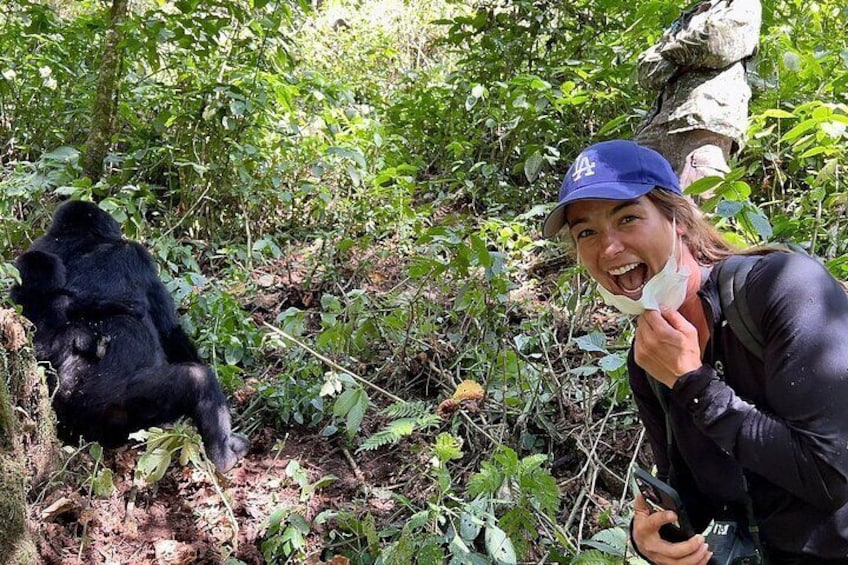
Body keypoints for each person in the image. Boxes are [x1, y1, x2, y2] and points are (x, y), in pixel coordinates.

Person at [542, 139, 848, 564]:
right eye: (586, 232)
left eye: (627, 217)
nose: (608, 248)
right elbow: (685, 490)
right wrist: (650, 537)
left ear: (678, 220)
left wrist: (694, 384)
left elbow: (832, 474)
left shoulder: (783, 288)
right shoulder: (647, 359)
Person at [634, 0, 761, 191]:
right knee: (639, 198)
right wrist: (687, 55)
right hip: (657, 125)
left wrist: (667, 54)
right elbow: (646, 71)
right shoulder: (687, 17)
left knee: (696, 203)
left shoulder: (741, 4)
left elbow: (717, 45)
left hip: (705, 117)